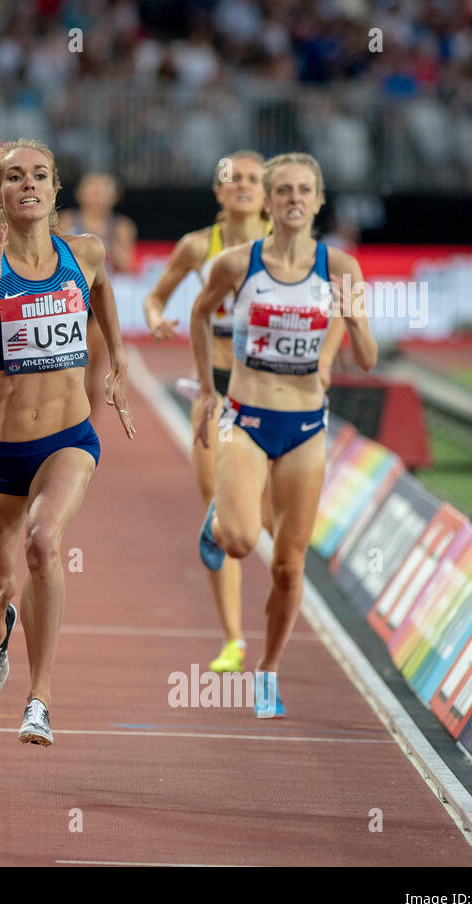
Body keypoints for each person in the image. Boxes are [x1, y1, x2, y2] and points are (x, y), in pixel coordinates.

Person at [0, 139, 135, 746]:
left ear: (55, 188)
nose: (29, 185)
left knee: (44, 543)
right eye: (15, 177)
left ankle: (40, 699)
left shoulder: (83, 253)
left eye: (39, 175)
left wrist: (117, 361)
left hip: (69, 438)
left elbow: (102, 293)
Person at [190, 152, 377, 718]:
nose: (294, 199)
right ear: (270, 203)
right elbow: (200, 315)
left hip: (305, 429)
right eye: (284, 191)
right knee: (243, 542)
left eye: (305, 191)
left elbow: (366, 359)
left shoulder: (341, 268)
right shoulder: (235, 264)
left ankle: (268, 670)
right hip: (245, 419)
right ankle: (220, 521)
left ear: (319, 201)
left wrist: (353, 317)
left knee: (289, 566)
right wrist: (205, 388)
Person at [144, 150, 271, 674]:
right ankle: (234, 640)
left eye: (251, 179)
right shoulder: (199, 246)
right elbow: (156, 297)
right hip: (215, 392)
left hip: (273, 393)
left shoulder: (288, 247)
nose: (241, 185)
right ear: (218, 192)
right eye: (231, 179)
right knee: (222, 517)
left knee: (261, 522)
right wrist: (156, 320)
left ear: (266, 192)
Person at [62, 172, 138, 416]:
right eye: (91, 189)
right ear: (80, 193)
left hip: (98, 305)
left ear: (113, 197)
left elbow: (126, 264)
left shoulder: (121, 227)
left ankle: (86, 425)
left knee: (89, 370)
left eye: (102, 191)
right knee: (68, 371)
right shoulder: (66, 221)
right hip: (70, 302)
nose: (96, 196)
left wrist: (106, 244)